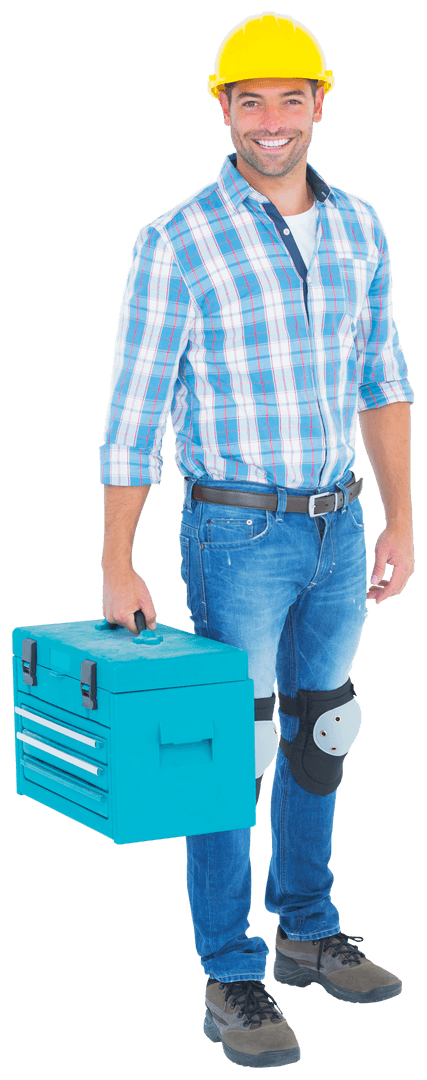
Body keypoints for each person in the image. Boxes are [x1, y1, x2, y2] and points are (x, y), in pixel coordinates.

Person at [99, 11, 415, 1071]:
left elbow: (382, 382)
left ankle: (308, 931)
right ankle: (230, 971)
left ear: (319, 104)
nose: (271, 121)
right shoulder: (175, 239)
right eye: (250, 100)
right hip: (233, 530)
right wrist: (116, 556)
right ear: (222, 108)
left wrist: (401, 517)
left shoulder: (362, 225)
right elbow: (132, 414)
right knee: (235, 747)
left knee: (322, 731)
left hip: (338, 526)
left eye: (290, 98)